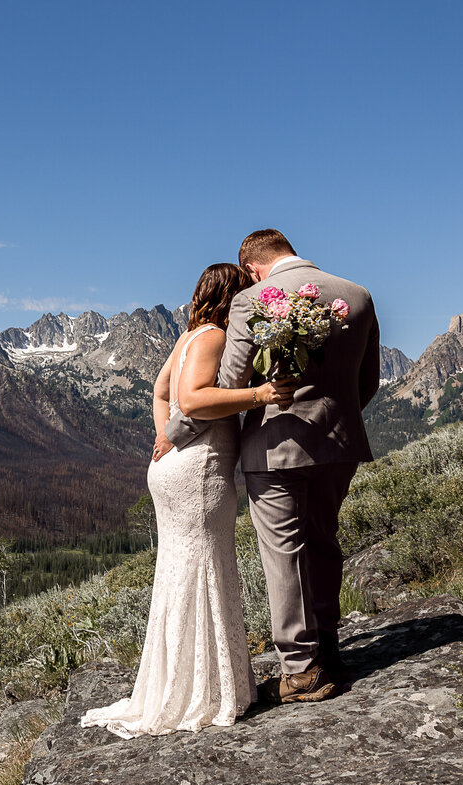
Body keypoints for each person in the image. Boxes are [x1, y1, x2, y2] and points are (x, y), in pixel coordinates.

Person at [80, 263, 295, 737]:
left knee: (182, 569)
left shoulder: (189, 337)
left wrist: (163, 437)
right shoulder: (215, 337)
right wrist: (259, 393)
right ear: (232, 296)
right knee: (205, 566)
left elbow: (162, 392)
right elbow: (194, 400)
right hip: (198, 470)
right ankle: (205, 691)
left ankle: (183, 683)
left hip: (175, 468)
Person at [164, 229, 380, 703]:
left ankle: (302, 671)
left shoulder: (252, 300)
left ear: (253, 268)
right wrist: (335, 422)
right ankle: (330, 651)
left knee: (285, 555)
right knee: (324, 543)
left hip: (273, 447)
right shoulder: (357, 295)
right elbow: (370, 382)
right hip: (339, 445)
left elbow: (230, 381)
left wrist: (175, 432)